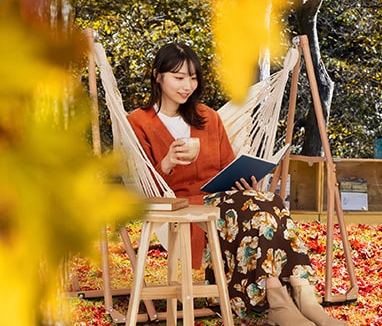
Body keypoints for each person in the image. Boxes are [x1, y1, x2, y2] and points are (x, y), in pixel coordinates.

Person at [127, 43, 344, 326]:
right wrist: (167, 162)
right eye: (178, 77)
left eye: (193, 78)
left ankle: (303, 298)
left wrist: (243, 181)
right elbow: (146, 185)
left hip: (222, 200)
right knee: (264, 204)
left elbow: (227, 166)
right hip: (181, 207)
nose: (187, 85)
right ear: (158, 76)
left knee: (269, 200)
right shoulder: (138, 122)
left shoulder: (208, 117)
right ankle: (281, 300)